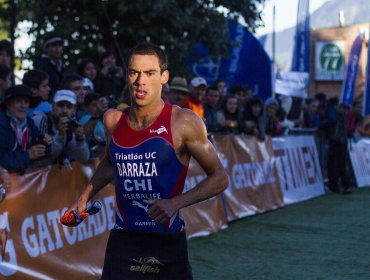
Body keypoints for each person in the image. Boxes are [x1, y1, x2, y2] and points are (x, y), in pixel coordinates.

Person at [64, 42, 228, 279]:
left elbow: (220, 178)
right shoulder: (112, 120)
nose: (140, 80)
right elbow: (111, 163)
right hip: (124, 239)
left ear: (164, 77)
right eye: (134, 72)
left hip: (167, 242)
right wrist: (83, 198)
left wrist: (175, 203)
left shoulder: (184, 122)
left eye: (149, 73)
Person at [0, 85, 53, 173]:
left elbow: (41, 154)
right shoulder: (1, 123)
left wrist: (45, 144)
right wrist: (28, 155)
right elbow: (2, 160)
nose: (23, 105)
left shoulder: (29, 122)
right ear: (8, 104)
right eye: (18, 101)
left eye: (26, 101)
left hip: (21, 181)